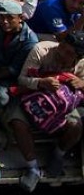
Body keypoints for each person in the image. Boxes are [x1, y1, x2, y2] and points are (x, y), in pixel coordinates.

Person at [6, 32, 84, 192]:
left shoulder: (82, 64)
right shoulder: (41, 51)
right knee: (17, 122)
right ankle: (33, 168)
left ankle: (58, 154)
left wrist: (81, 83)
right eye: (62, 48)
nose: (62, 54)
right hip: (30, 96)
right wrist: (41, 82)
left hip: (61, 105)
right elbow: (22, 80)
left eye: (69, 53)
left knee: (76, 126)